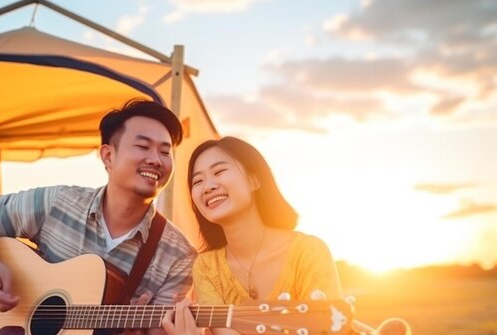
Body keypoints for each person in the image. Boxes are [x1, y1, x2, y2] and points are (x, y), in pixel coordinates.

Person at [0, 99, 197, 335]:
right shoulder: (60, 202)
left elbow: (163, 327)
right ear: (108, 156)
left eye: (165, 152)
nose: (156, 160)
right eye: (143, 147)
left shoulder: (179, 255)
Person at [161, 136, 411, 335]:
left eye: (219, 172)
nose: (208, 186)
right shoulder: (206, 267)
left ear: (254, 179)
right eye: (197, 181)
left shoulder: (308, 251)